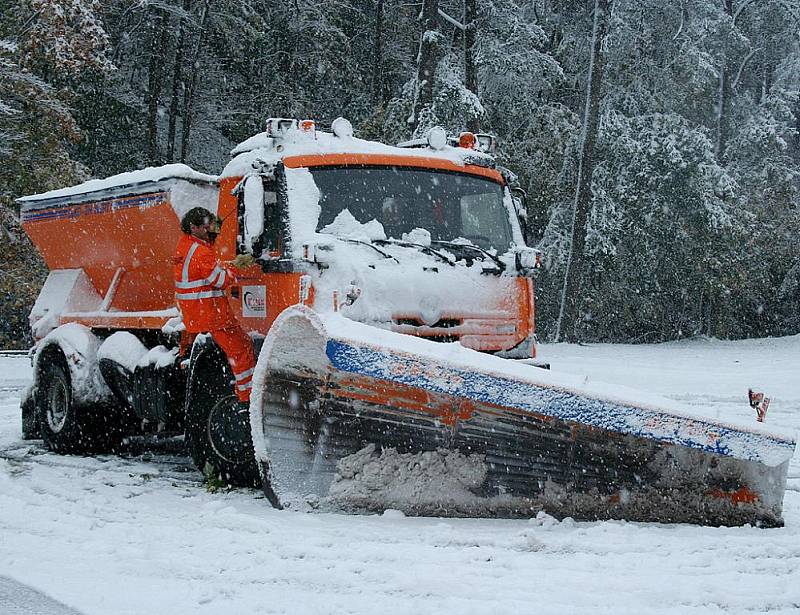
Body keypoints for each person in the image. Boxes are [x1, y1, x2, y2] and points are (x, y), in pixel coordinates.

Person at [174, 207, 256, 406]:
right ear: (194, 227)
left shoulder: (187, 245)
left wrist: (228, 263)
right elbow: (220, 280)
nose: (211, 228)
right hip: (212, 313)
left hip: (197, 313)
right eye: (206, 225)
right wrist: (237, 266)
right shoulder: (201, 252)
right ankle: (248, 399)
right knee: (242, 349)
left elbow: (207, 268)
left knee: (238, 349)